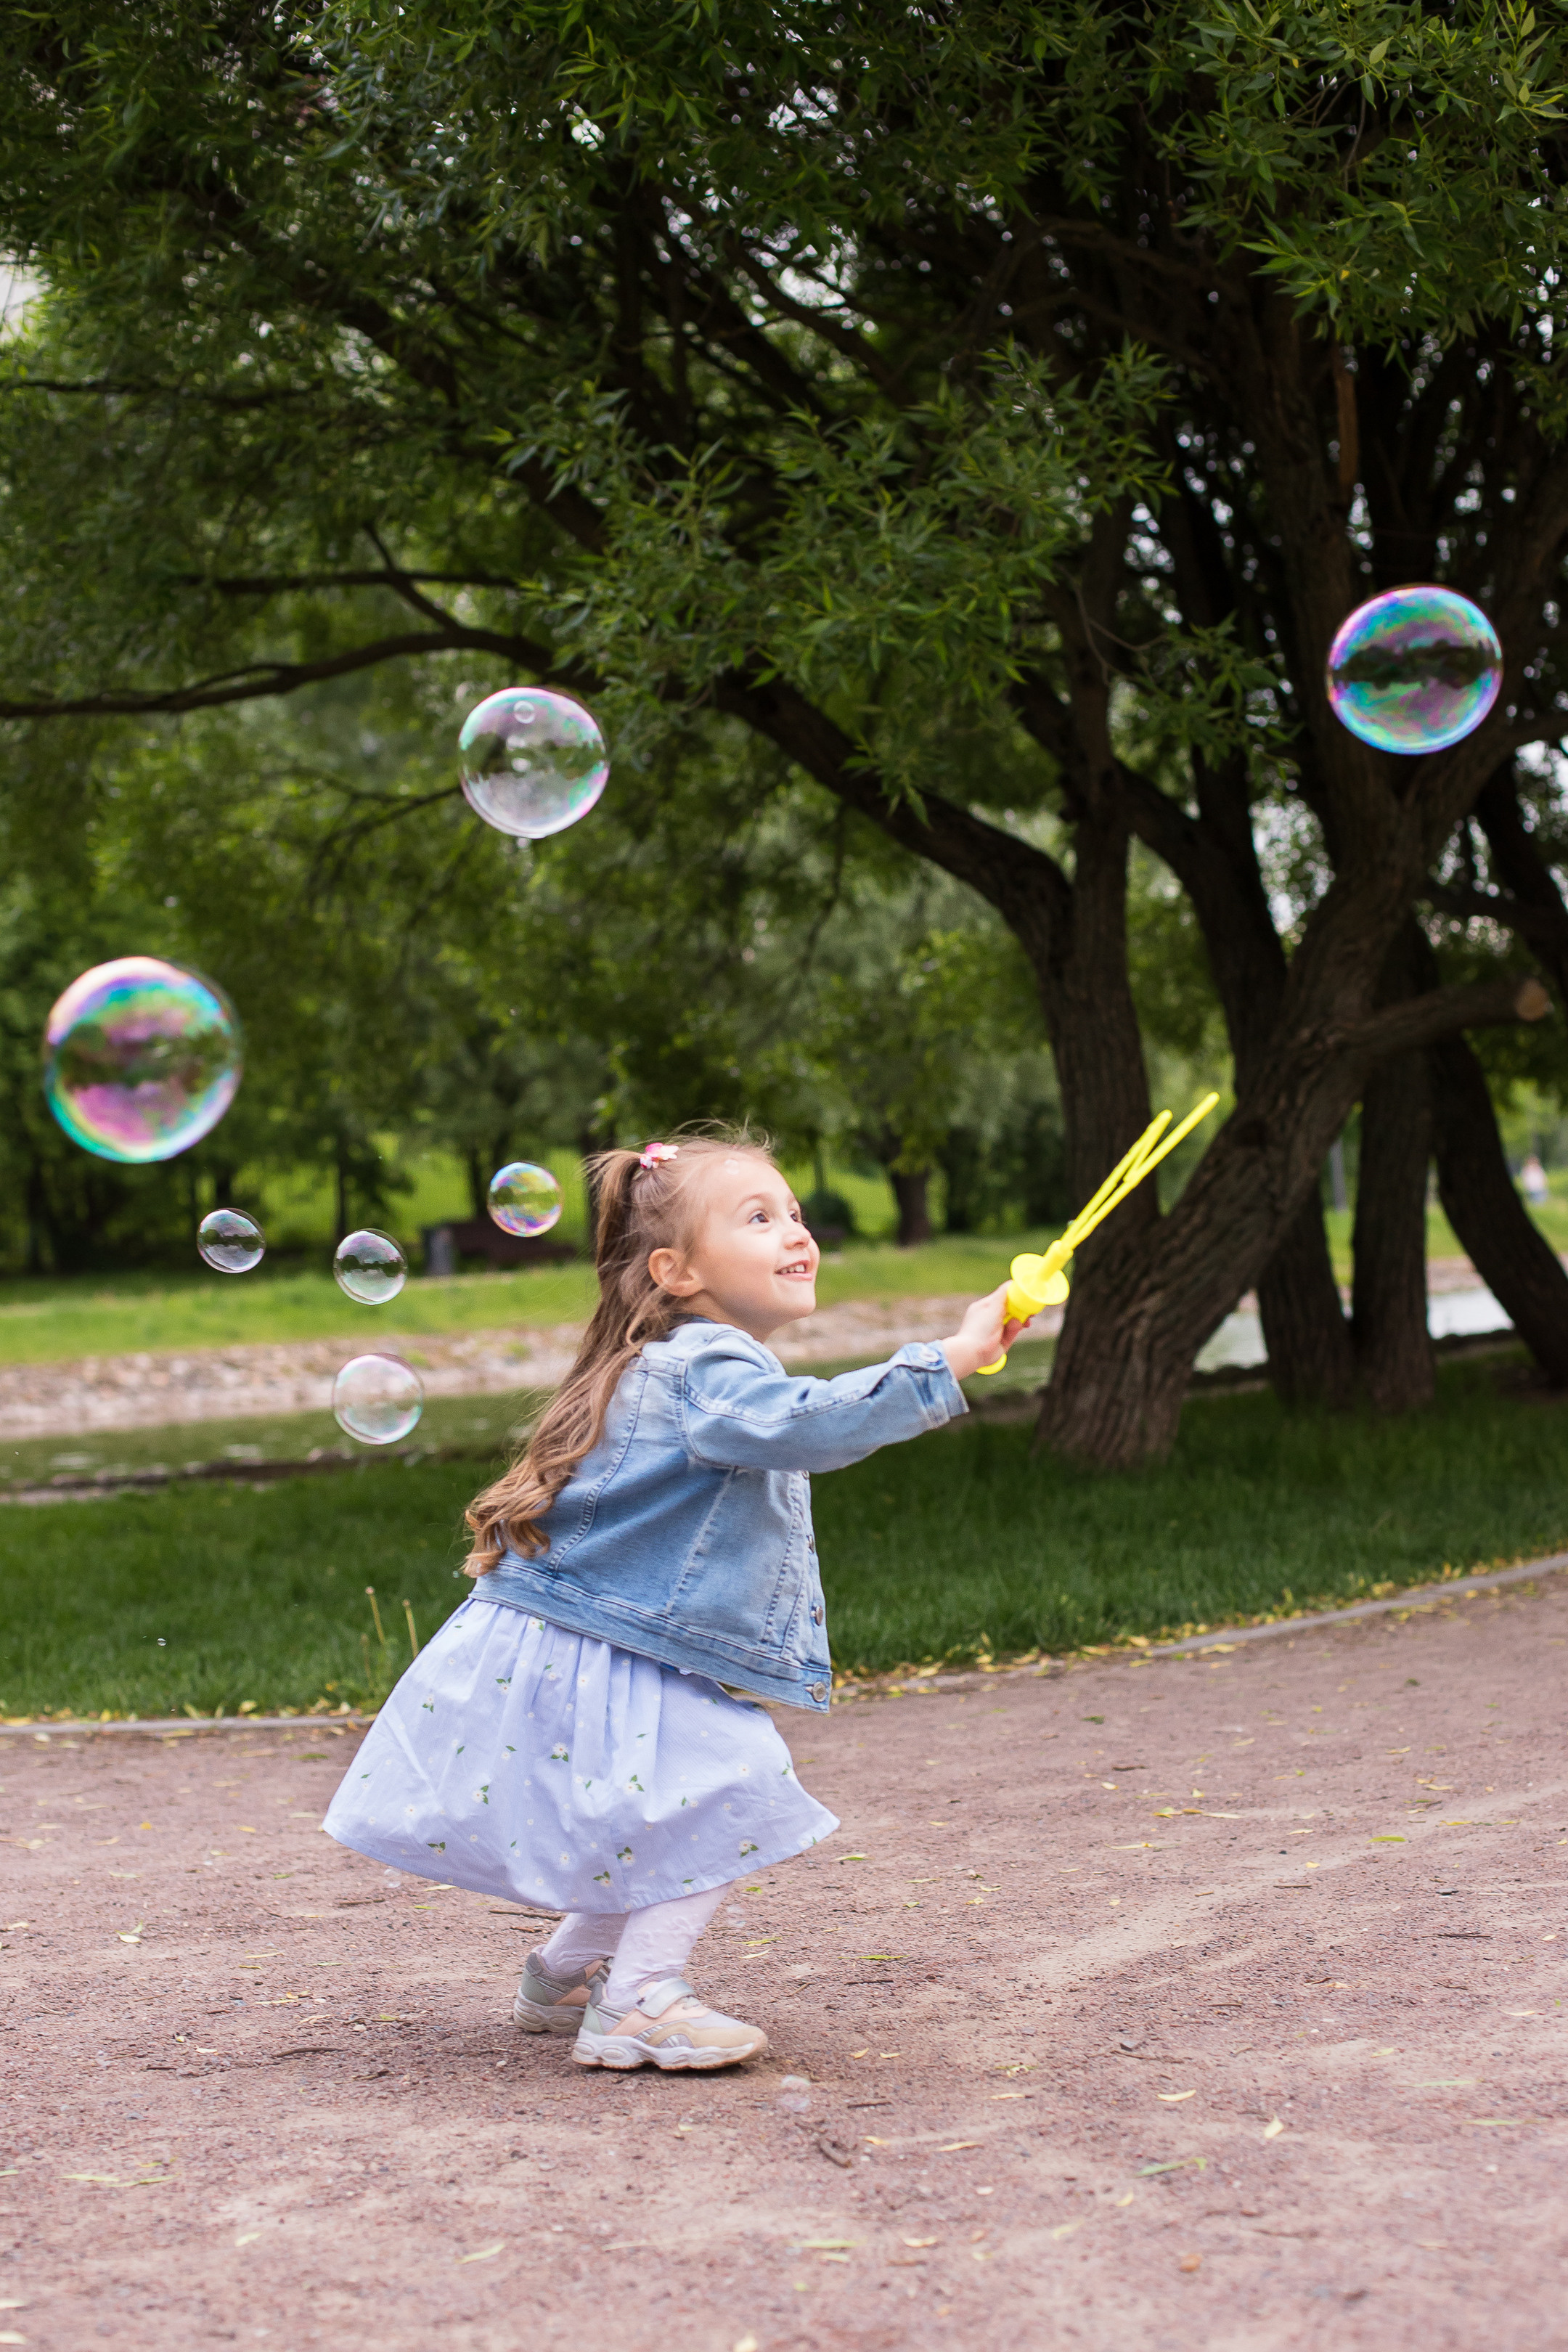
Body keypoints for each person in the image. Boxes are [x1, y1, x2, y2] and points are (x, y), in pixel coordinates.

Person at [323, 1128, 1028, 2073]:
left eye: (797, 1213)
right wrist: (946, 1361)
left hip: (598, 1642)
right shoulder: (707, 1368)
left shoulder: (668, 1364)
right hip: (614, 1643)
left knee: (652, 1823)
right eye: (759, 1216)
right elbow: (808, 1424)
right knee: (727, 1789)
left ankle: (567, 1976)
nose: (797, 1232)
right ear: (676, 1271)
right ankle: (640, 2000)